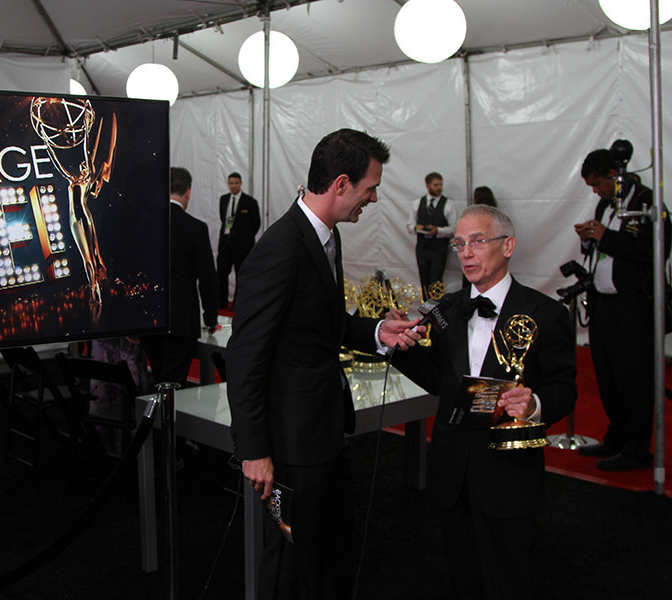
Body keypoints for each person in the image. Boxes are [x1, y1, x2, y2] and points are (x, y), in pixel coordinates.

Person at [226, 129, 423, 600]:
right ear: (340, 185)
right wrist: (254, 450)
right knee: (290, 568)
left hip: (323, 432)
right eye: (370, 188)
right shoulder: (280, 249)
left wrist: (377, 331)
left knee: (331, 553)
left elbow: (321, 323)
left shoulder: (323, 237)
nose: (374, 199)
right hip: (291, 445)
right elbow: (245, 355)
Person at [391, 205, 576, 600]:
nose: (466, 253)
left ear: (507, 246)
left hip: (509, 473)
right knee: (463, 579)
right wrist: (401, 348)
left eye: (477, 241)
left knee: (509, 580)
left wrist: (534, 403)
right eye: (459, 244)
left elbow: (565, 389)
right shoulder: (446, 309)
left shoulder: (546, 313)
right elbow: (439, 381)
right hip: (452, 471)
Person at [574, 148, 670, 470]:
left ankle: (637, 447)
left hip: (634, 305)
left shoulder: (647, 203)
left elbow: (656, 248)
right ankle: (617, 435)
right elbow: (603, 246)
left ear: (614, 176)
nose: (595, 191)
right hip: (604, 303)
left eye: (597, 184)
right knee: (608, 374)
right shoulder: (605, 204)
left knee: (634, 377)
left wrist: (606, 237)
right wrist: (589, 237)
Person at [142, 167, 219, 387]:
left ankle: (159, 409)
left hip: (150, 317)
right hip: (182, 320)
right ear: (188, 192)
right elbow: (208, 279)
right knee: (173, 384)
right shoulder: (195, 228)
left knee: (158, 377)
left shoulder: (146, 224)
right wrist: (211, 318)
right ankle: (166, 410)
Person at [407, 171, 458, 299]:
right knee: (424, 280)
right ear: (427, 186)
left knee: (436, 280)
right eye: (436, 185)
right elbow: (409, 225)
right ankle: (426, 307)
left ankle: (437, 307)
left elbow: (454, 229)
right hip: (422, 246)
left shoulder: (449, 204)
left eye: (440, 185)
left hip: (439, 247)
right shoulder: (417, 203)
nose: (439, 188)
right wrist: (416, 228)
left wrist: (438, 230)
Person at [216, 171, 261, 308]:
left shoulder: (250, 202)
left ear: (240, 183)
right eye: (231, 183)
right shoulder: (224, 199)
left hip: (242, 245)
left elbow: (256, 223)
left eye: (236, 183)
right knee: (221, 272)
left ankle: (238, 303)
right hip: (226, 241)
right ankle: (221, 301)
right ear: (228, 184)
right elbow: (223, 219)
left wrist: (245, 237)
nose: (233, 186)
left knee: (241, 274)